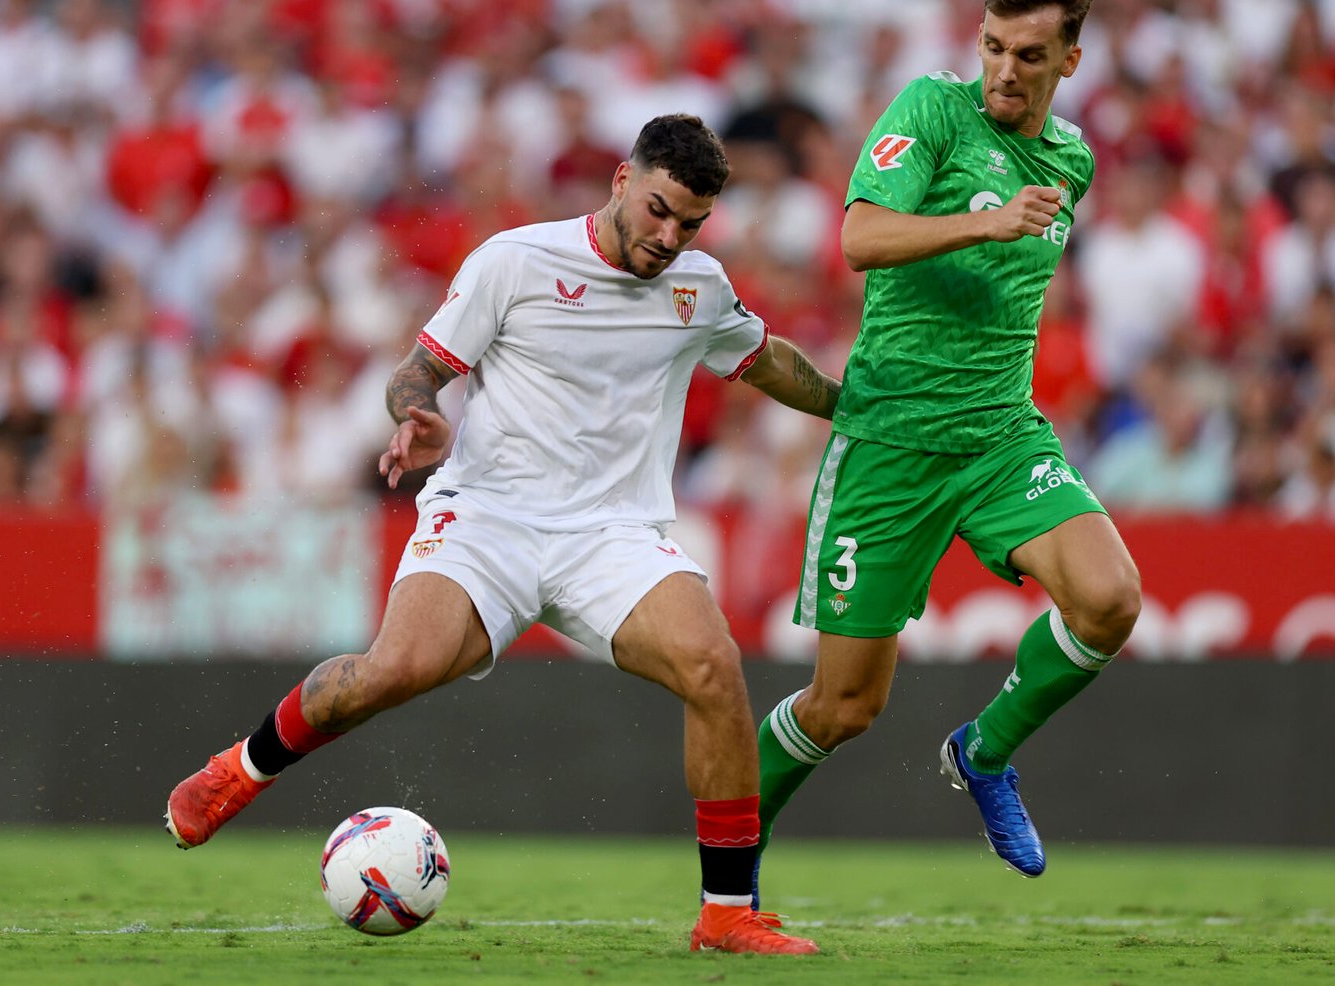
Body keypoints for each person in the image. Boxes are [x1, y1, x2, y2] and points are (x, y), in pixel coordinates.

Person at [164, 114, 837, 955]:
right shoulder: (514, 261)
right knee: (391, 671)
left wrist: (851, 407)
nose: (670, 237)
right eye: (660, 210)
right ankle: (241, 770)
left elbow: (765, 359)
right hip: (488, 516)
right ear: (623, 181)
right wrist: (415, 415)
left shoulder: (698, 286)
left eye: (690, 223)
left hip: (612, 532)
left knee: (715, 666)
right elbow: (421, 369)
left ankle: (726, 913)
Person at [753, 0, 1142, 890]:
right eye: (995, 49)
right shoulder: (930, 109)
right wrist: (988, 223)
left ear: (1071, 61)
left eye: (1031, 56)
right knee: (844, 707)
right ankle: (732, 859)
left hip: (1002, 435)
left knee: (1109, 599)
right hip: (890, 441)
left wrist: (1006, 227)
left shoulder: (1074, 160)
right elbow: (859, 238)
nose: (1007, 71)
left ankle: (986, 751)